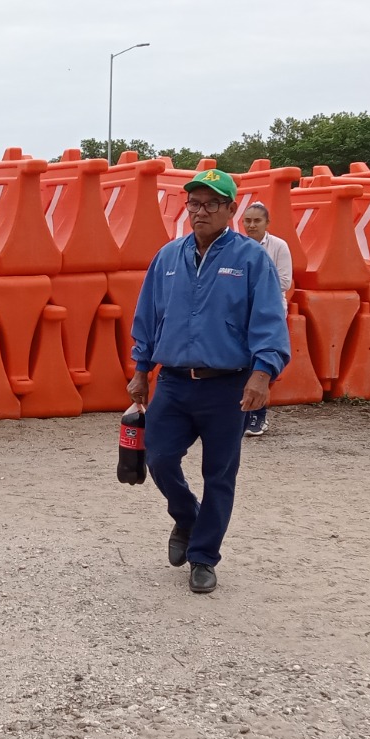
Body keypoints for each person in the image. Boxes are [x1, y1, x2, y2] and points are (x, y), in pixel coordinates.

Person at [126, 169, 290, 594]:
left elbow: (270, 321)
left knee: (219, 473)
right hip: (175, 383)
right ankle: (186, 516)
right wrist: (141, 369)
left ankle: (203, 557)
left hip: (227, 386)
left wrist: (262, 373)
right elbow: (148, 316)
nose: (200, 211)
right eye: (193, 204)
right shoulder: (167, 258)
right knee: (159, 459)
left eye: (211, 204)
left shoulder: (252, 260)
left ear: (231, 210)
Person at [238, 200, 294, 438]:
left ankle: (259, 416)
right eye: (247, 221)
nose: (251, 225)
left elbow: (285, 281)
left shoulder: (279, 246)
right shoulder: (236, 246)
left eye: (256, 220)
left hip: (269, 312)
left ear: (267, 223)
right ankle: (241, 414)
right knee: (242, 363)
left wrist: (253, 283)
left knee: (264, 363)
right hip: (240, 312)